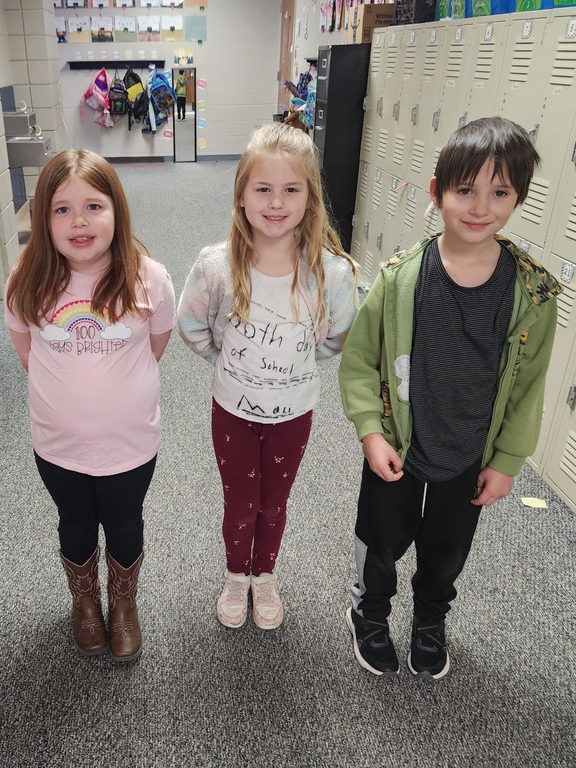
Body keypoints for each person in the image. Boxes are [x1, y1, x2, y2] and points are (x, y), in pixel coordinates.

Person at [339, 116, 562, 679]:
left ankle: (431, 619)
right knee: (382, 536)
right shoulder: (400, 278)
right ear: (438, 191)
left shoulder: (531, 291)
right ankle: (369, 611)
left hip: (469, 450)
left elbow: (528, 386)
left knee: (446, 549)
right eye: (465, 190)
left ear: (519, 198)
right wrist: (370, 430)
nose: (480, 207)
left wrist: (507, 461)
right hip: (398, 441)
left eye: (500, 192)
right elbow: (362, 360)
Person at [177, 123, 360, 631]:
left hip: (292, 414)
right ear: (241, 197)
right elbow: (190, 324)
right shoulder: (216, 265)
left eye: (291, 189)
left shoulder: (333, 273)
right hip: (232, 410)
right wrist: (228, 361)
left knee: (274, 505)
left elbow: (335, 338)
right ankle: (237, 573)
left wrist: (294, 367)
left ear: (310, 198)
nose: (276, 202)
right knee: (240, 503)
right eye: (263, 189)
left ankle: (265, 575)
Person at [4, 150, 175, 662]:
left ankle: (123, 604)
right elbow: (27, 353)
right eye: (61, 209)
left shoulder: (149, 278)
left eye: (93, 206)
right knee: (74, 524)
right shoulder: (26, 281)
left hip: (131, 444)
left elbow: (155, 345)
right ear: (43, 219)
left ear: (116, 211)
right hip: (58, 447)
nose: (78, 221)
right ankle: (84, 601)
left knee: (125, 523)